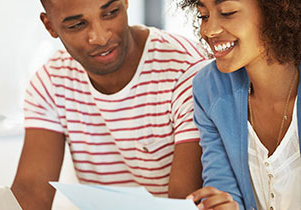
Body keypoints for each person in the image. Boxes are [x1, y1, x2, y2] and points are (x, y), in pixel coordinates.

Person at [11, 0, 210, 209]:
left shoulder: (187, 70)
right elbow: (32, 190)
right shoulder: (51, 80)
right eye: (77, 25)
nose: (100, 37)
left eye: (110, 13)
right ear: (50, 25)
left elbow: (184, 201)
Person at [178, 0, 301, 209]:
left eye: (227, 12)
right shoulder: (209, 88)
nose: (209, 30)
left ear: (276, 12)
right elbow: (222, 188)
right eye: (203, 15)